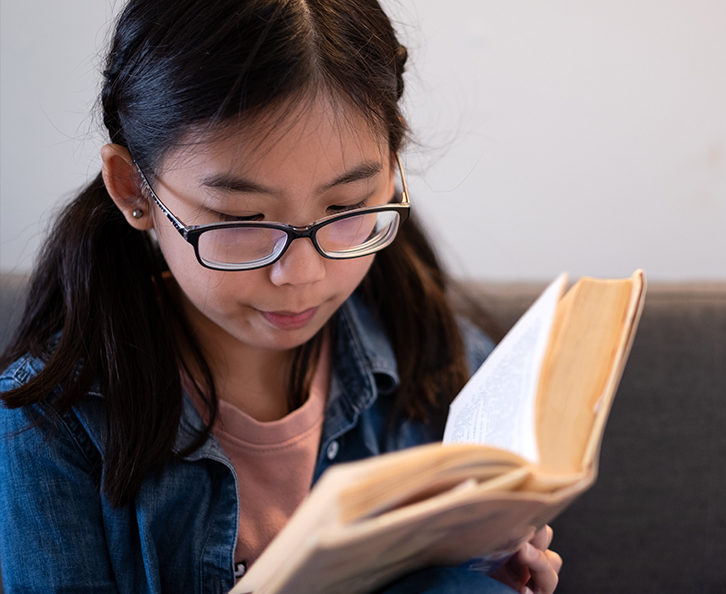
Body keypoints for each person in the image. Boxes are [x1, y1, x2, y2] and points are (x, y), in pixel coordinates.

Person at [0, 0, 561, 591]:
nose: (301, 273)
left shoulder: (449, 360)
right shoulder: (50, 427)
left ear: (392, 172)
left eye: (345, 208)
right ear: (133, 188)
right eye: (241, 217)